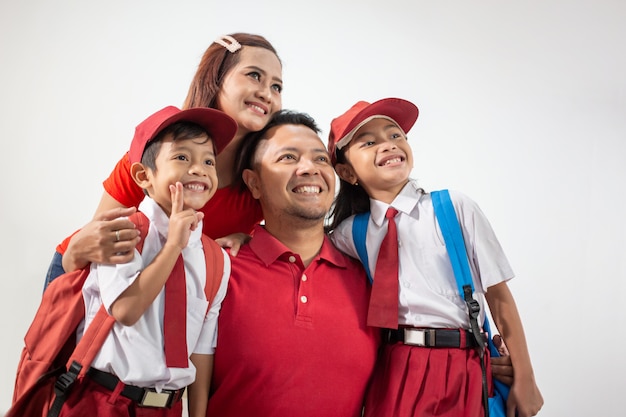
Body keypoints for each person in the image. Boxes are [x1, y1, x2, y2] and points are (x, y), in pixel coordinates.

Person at [327, 98, 544, 417]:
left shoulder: (453, 208)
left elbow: (498, 297)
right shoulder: (349, 234)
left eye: (395, 135)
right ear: (346, 172)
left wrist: (525, 378)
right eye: (369, 142)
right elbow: (303, 251)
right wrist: (244, 232)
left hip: (462, 362)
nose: (388, 145)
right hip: (395, 366)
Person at [45, 32, 283, 286]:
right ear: (216, 78)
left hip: (161, 293)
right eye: (254, 75)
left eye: (276, 86)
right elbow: (97, 243)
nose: (267, 94)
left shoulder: (261, 182)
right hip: (92, 276)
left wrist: (248, 241)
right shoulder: (153, 154)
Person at [58, 106, 235, 417]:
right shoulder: (125, 231)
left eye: (209, 161)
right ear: (144, 175)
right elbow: (125, 310)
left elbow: (202, 349)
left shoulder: (217, 259)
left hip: (167, 408)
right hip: (101, 401)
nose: (199, 169)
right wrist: (172, 248)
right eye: (182, 157)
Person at [207, 110, 380, 417]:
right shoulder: (218, 272)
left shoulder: (370, 276)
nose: (309, 169)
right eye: (288, 157)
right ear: (254, 183)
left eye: (320, 159)